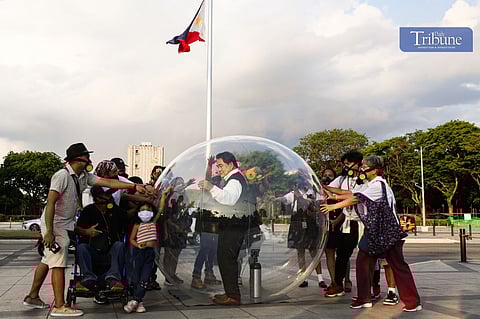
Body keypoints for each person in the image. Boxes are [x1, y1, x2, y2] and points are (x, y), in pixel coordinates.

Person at [23, 143, 145, 317]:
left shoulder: (82, 177)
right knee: (58, 261)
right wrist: (49, 232)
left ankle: (32, 296)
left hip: (66, 223)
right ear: (78, 159)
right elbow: (50, 203)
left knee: (47, 260)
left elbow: (108, 182)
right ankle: (59, 306)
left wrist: (133, 186)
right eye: (87, 157)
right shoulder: (62, 176)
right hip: (56, 223)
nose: (89, 160)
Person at [320, 155, 422, 312]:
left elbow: (355, 199)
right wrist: (330, 192)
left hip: (387, 232)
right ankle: (364, 298)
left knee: (398, 265)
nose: (361, 170)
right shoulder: (369, 184)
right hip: (375, 231)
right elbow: (348, 193)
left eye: (365, 167)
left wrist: (334, 206)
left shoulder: (378, 185)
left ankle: (412, 302)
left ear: (374, 170)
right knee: (362, 262)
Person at [197, 151, 256, 305]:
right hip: (231, 225)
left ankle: (233, 296)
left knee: (226, 258)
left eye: (221, 166)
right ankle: (230, 292)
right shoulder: (232, 178)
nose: (220, 169)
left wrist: (211, 187)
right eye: (218, 166)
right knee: (224, 258)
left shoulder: (235, 180)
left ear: (231, 164)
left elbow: (229, 199)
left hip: (234, 226)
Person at [75, 186, 128, 303]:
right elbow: (77, 229)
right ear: (98, 198)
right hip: (92, 251)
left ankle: (113, 278)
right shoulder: (88, 210)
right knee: (81, 247)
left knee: (119, 245)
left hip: (110, 251)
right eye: (107, 195)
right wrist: (87, 231)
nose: (110, 197)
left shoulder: (116, 211)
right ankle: (88, 278)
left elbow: (129, 218)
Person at [322, 150, 363, 297]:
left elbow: (354, 197)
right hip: (349, 222)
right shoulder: (343, 178)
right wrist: (323, 186)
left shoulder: (366, 180)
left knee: (369, 255)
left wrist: (334, 205)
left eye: (349, 164)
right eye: (344, 164)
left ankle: (374, 285)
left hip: (364, 222)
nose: (346, 167)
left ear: (358, 163)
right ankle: (337, 283)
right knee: (342, 254)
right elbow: (338, 191)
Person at [286, 185, 325, 288]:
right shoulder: (293, 193)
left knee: (314, 251)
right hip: (298, 223)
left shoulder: (313, 192)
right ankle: (304, 277)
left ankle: (320, 278)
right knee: (300, 251)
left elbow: (316, 206)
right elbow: (285, 200)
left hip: (310, 223)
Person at [124, 204, 160, 313]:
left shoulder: (153, 223)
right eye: (143, 210)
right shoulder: (137, 225)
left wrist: (164, 194)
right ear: (138, 212)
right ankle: (139, 302)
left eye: (148, 210)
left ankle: (135, 300)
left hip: (150, 253)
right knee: (136, 277)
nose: (145, 212)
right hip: (139, 252)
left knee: (145, 278)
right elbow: (131, 239)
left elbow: (161, 209)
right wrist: (138, 245)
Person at [320, 168, 344, 290]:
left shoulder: (340, 190)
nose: (328, 177)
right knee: (329, 252)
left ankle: (346, 280)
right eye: (325, 175)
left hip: (340, 224)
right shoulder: (319, 191)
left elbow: (346, 208)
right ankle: (334, 281)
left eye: (330, 175)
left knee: (342, 254)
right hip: (326, 226)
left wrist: (337, 221)